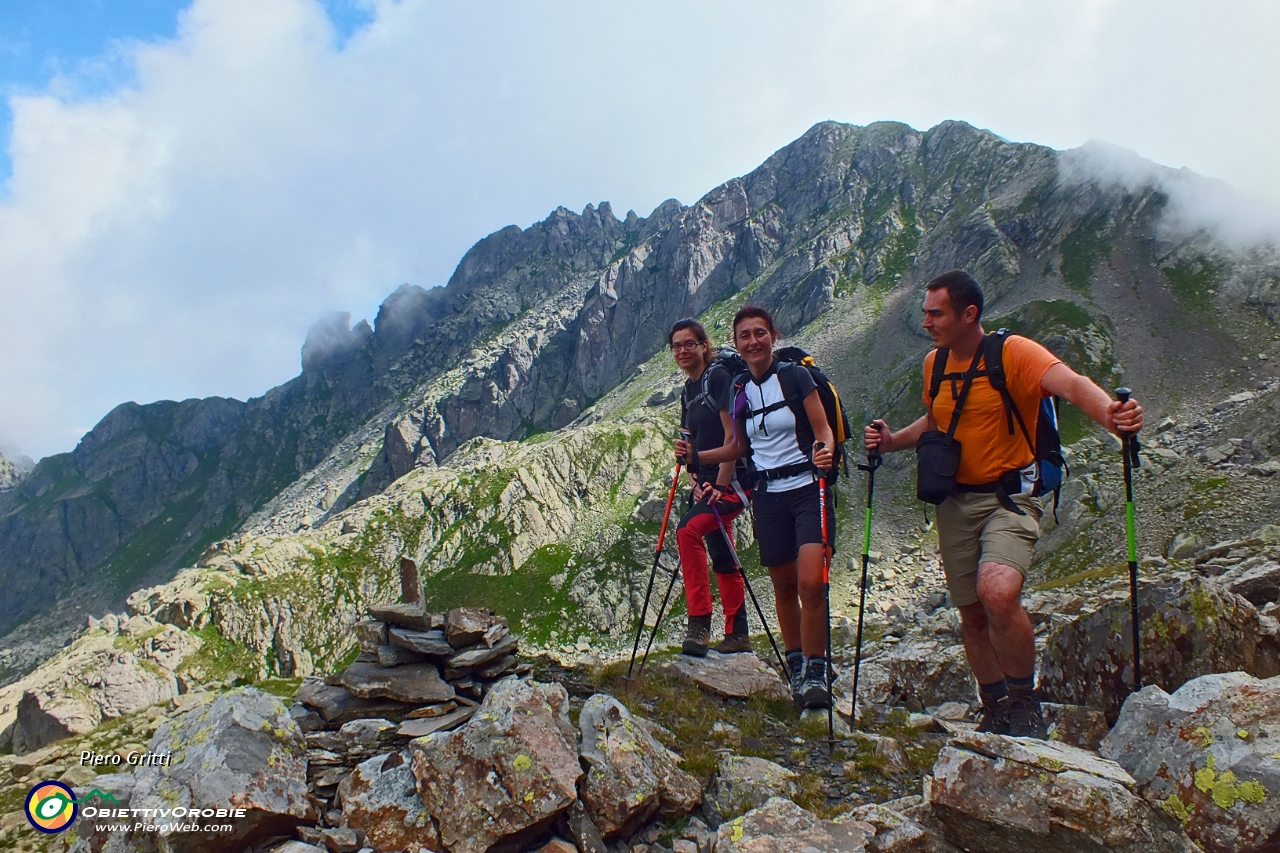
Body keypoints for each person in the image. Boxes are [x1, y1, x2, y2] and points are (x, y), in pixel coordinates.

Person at [863, 269, 1144, 737]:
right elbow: (937, 419)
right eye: (925, 312)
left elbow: (1070, 384)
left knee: (997, 592)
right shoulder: (935, 364)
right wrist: (893, 442)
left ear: (968, 314)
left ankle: (1023, 700)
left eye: (936, 313)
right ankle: (994, 704)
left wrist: (1113, 417)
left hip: (1009, 498)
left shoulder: (1014, 352)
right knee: (971, 612)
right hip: (954, 502)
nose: (926, 321)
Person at [724, 305, 836, 708]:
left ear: (774, 335)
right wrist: (696, 456)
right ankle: (796, 668)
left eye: (759, 333)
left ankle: (818, 668)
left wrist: (824, 451)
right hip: (768, 496)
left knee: (811, 583)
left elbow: (822, 428)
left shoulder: (795, 376)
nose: (753, 341)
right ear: (736, 344)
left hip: (808, 486)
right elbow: (738, 446)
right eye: (744, 336)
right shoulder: (739, 389)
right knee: (784, 585)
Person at [669, 320, 752, 656]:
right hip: (709, 485)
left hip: (734, 483)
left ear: (704, 346)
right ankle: (737, 633)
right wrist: (695, 479)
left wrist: (717, 483)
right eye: (677, 346)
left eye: (690, 343)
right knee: (722, 554)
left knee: (687, 531)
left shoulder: (718, 378)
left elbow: (735, 442)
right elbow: (692, 447)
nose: (683, 351)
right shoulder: (688, 392)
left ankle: (700, 622)